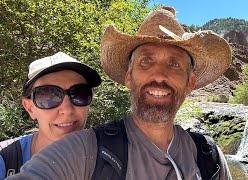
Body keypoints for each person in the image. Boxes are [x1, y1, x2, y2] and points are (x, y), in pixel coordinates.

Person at [7, 6, 232, 180]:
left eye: (174, 64)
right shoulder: (86, 150)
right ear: (128, 77)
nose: (159, 76)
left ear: (190, 82)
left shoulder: (209, 157)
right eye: (146, 61)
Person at [0, 52, 101, 178]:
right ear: (30, 108)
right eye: (48, 96)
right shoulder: (5, 159)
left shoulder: (111, 158)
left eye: (79, 94)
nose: (67, 109)